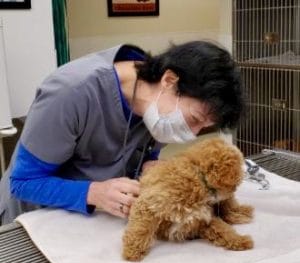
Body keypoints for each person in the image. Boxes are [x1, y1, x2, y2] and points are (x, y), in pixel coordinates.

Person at [0, 40, 245, 225]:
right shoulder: (72, 92)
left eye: (203, 128)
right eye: (194, 120)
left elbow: (141, 151)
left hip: (89, 220)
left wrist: (149, 168)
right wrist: (94, 192)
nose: (192, 134)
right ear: (169, 80)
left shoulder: (155, 106)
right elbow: (22, 182)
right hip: (31, 220)